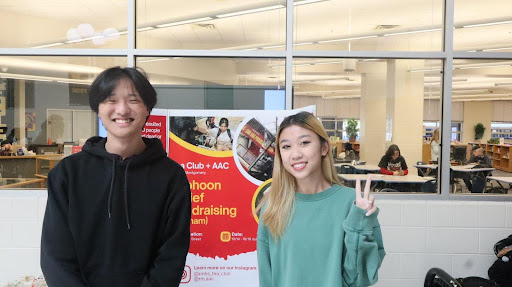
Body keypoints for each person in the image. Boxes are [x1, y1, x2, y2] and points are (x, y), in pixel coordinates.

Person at [41, 67, 191, 287]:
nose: (122, 110)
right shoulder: (67, 174)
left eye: (133, 100)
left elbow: (172, 255)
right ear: (98, 109)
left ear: (148, 108)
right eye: (111, 100)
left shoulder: (171, 176)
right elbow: (56, 255)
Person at [256, 111, 385, 287]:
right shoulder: (273, 206)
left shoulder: (353, 205)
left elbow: (359, 279)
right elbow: (267, 277)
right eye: (286, 146)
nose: (295, 154)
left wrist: (359, 225)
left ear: (324, 147)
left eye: (305, 143)